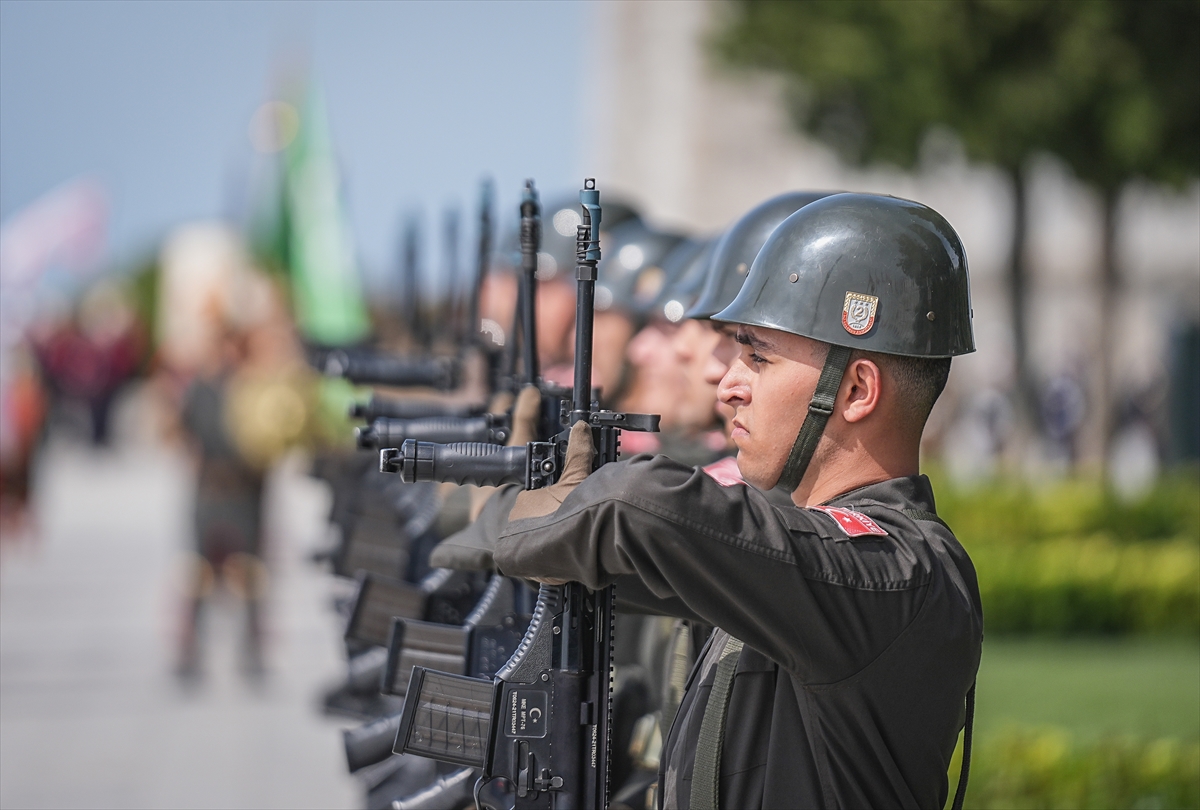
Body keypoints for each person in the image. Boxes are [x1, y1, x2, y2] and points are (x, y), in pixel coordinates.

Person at [493, 193, 983, 809]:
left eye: (757, 357)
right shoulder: (797, 565)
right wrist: (504, 515)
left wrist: (529, 516)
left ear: (857, 389)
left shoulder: (898, 572)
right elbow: (626, 557)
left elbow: (642, 507)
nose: (727, 384)